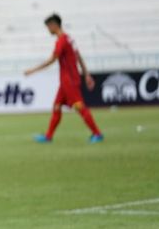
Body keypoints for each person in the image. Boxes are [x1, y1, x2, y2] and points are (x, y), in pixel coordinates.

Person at [24, 14, 103, 143]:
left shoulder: (61, 41)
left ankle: (97, 133)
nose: (48, 30)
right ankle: (48, 136)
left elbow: (52, 60)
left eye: (48, 27)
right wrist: (86, 74)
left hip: (69, 80)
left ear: (54, 25)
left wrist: (32, 70)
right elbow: (79, 57)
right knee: (56, 106)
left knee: (79, 106)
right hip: (66, 80)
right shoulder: (69, 39)